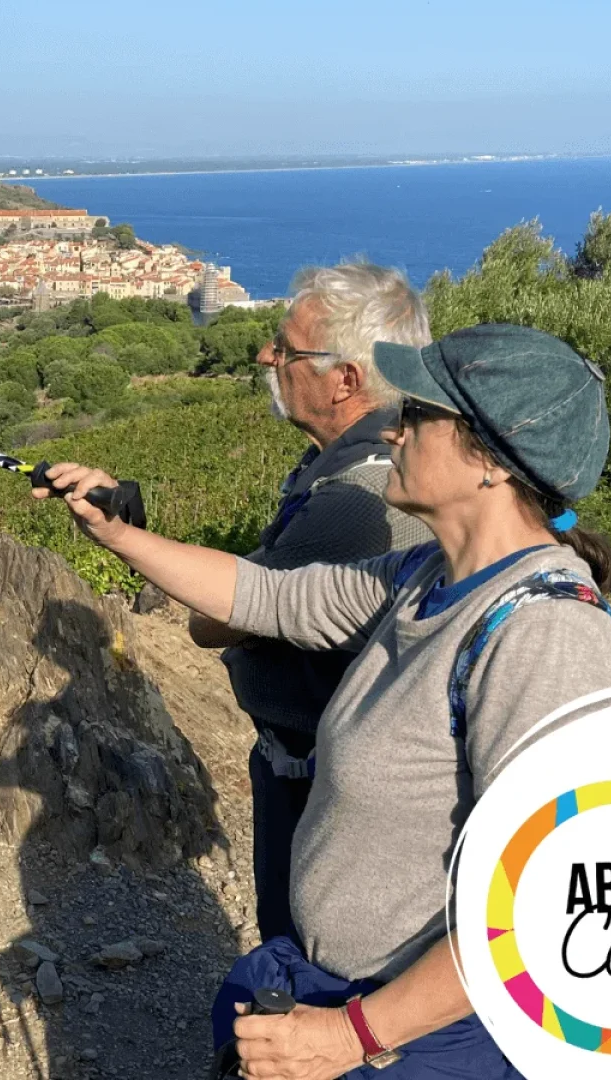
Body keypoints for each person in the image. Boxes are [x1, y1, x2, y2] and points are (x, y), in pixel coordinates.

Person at [36, 323, 611, 1078]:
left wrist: (352, 1035)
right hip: (349, 1002)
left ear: (488, 460)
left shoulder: (546, 637)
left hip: (425, 1039)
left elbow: (553, 901)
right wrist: (119, 533)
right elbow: (264, 597)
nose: (394, 425)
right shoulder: (425, 575)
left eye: (419, 414)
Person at [196, 263, 435, 944]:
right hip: (331, 772)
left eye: (286, 349)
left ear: (347, 380)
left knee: (301, 954)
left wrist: (130, 539)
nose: (266, 357)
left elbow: (214, 621)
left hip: (316, 782)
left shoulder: (351, 502)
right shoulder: (370, 464)